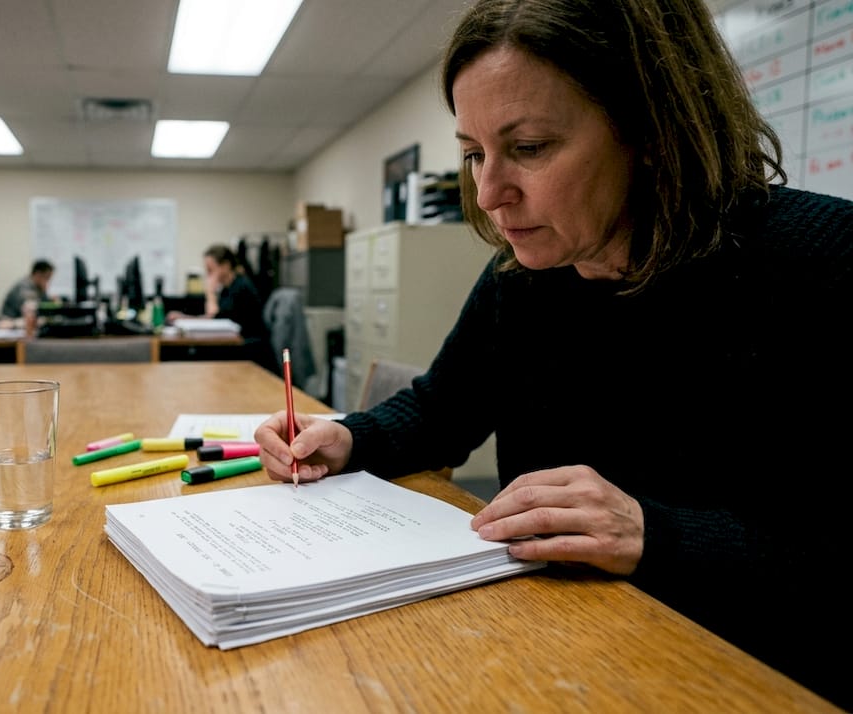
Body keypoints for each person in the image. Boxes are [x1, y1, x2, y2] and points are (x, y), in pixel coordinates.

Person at [254, 0, 853, 707]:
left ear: (651, 129)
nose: (489, 193)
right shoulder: (524, 277)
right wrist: (350, 437)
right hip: (548, 651)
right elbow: (443, 408)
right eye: (474, 153)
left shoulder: (823, 263)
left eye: (529, 148)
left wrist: (655, 534)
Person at [168, 244, 274, 372]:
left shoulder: (241, 287)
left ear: (225, 266)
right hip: (236, 346)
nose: (208, 275)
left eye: (210, 270)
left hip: (248, 350)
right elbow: (215, 317)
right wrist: (184, 318)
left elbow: (215, 318)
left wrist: (210, 293)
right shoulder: (227, 289)